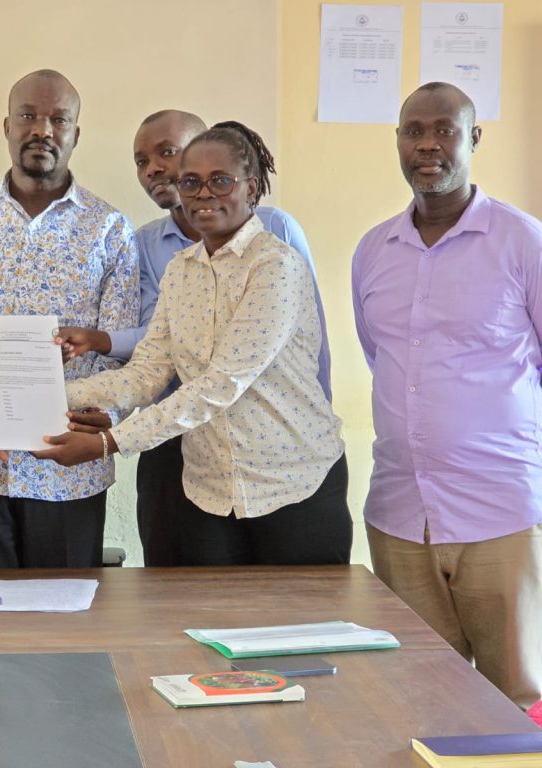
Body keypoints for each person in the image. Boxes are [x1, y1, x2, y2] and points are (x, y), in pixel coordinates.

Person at [36, 122, 349, 567]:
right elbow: (146, 374)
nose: (204, 194)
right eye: (190, 182)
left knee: (295, 613)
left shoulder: (276, 265)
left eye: (220, 180)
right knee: (205, 610)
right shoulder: (180, 270)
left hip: (293, 484)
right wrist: (43, 396)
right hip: (208, 488)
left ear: (251, 188)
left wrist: (109, 443)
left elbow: (221, 385)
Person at [352, 82, 542, 708]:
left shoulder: (523, 242)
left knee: (514, 699)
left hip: (499, 513)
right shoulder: (374, 250)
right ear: (398, 141)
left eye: (445, 130)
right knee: (420, 698)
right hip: (400, 515)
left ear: (474, 138)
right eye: (414, 131)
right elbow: (381, 357)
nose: (428, 144)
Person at [0, 69, 139, 568]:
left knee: (63, 613)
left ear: (76, 134)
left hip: (67, 470)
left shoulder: (110, 229)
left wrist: (109, 421)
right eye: (28, 116)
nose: (42, 129)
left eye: (59, 119)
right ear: (7, 127)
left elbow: (121, 353)